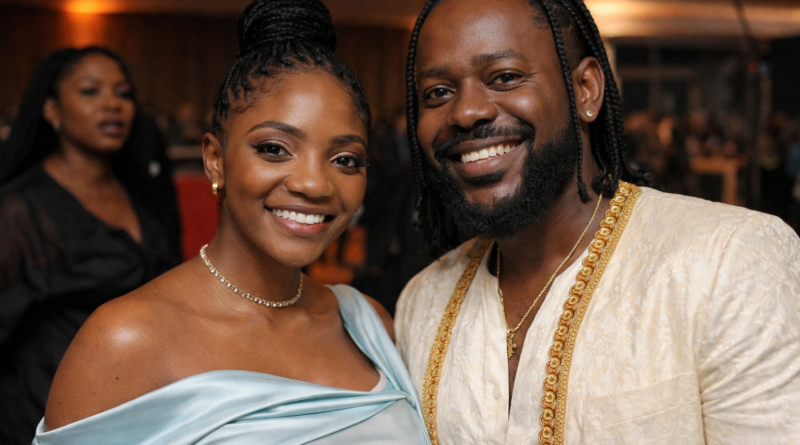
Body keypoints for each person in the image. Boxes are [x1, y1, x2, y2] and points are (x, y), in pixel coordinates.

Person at [394, 0, 800, 444]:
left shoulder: (728, 261)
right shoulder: (422, 301)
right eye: (438, 92)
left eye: (505, 77)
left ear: (585, 90)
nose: (465, 112)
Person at [35, 0, 430, 443]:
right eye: (274, 149)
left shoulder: (369, 324)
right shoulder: (125, 340)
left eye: (345, 159)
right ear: (215, 160)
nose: (315, 184)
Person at [0, 47, 181, 445]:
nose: (112, 104)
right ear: (52, 110)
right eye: (90, 91)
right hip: (48, 412)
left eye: (122, 93)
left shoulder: (140, 191)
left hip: (138, 410)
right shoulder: (21, 208)